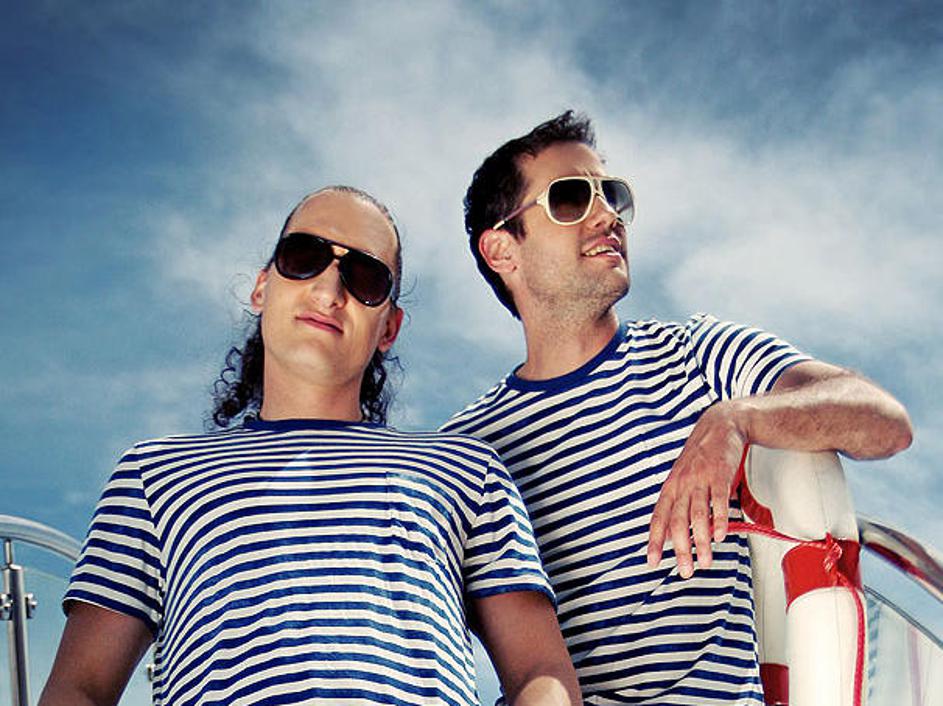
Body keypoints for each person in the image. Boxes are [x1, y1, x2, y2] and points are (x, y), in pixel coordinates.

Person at [40, 186, 582, 706]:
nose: (328, 292)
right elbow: (79, 689)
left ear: (389, 328)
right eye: (303, 257)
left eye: (365, 277)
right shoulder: (152, 476)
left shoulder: (468, 470)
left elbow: (540, 671)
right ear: (262, 287)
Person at [440, 112, 913, 705]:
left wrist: (735, 420)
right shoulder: (468, 449)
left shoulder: (698, 355)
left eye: (611, 195)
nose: (607, 215)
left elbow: (881, 421)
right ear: (502, 250)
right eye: (570, 198)